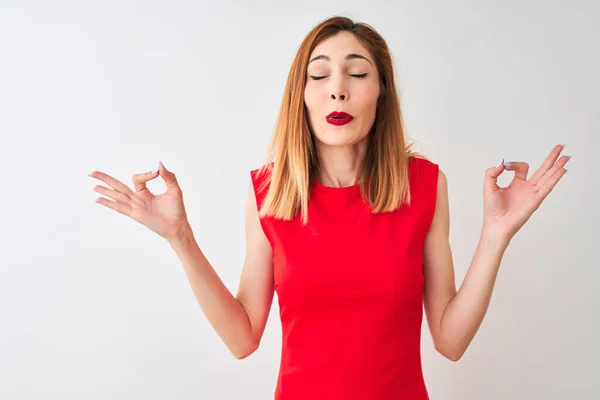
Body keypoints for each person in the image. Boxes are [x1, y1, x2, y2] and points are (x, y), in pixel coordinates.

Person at [89, 16, 570, 400]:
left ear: (381, 93)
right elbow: (242, 339)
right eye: (319, 75)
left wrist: (495, 235)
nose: (337, 89)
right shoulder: (269, 192)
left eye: (358, 74)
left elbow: (450, 340)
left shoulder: (424, 185)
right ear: (302, 94)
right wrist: (180, 238)